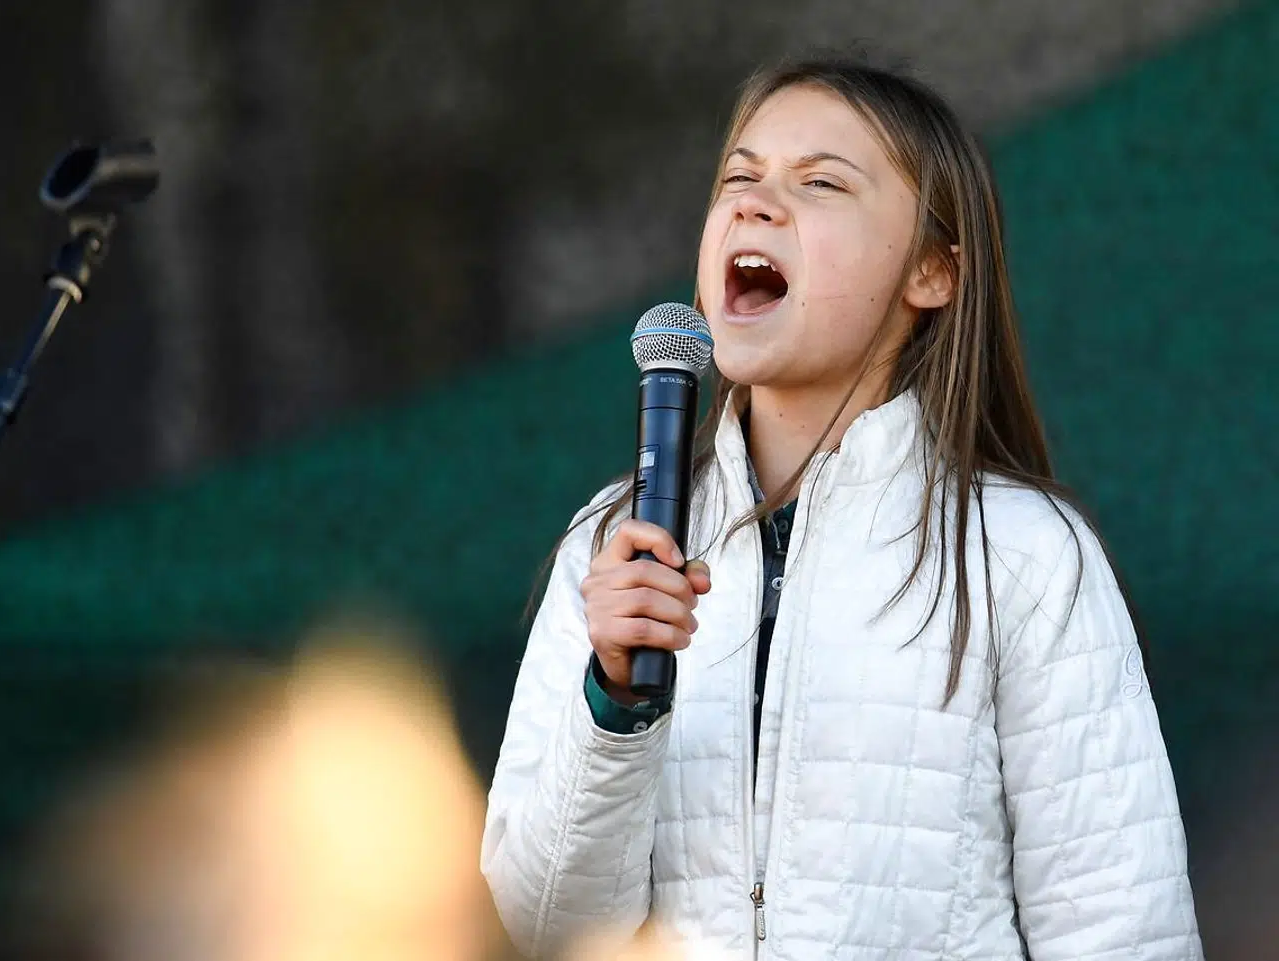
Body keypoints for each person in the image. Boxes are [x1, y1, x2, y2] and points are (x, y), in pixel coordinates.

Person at [481, 59, 1203, 960]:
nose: (756, 204)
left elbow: (1123, 930)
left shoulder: (1024, 555)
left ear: (932, 271)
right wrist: (615, 703)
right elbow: (543, 928)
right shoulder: (613, 544)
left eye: (820, 183)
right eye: (739, 178)